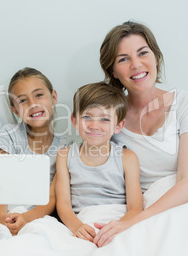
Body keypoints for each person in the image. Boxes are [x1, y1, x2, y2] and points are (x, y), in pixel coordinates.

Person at [95, 20, 188, 244]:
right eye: (123, 59)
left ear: (156, 57)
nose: (136, 65)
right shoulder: (112, 118)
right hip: (145, 204)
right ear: (113, 71)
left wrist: (136, 221)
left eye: (143, 53)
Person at [0, 67, 71, 236]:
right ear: (15, 110)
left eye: (38, 95)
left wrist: (26, 218)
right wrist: (4, 218)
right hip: (5, 211)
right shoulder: (9, 135)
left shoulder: (65, 147)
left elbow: (53, 196)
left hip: (38, 214)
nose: (32, 104)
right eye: (22, 100)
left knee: (47, 232)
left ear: (53, 97)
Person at [56, 82, 143, 246]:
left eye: (104, 119)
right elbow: (63, 203)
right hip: (82, 222)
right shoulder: (65, 155)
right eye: (87, 117)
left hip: (117, 220)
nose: (94, 125)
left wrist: (119, 226)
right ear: (75, 121)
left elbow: (135, 207)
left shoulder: (127, 158)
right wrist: (77, 226)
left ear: (118, 126)